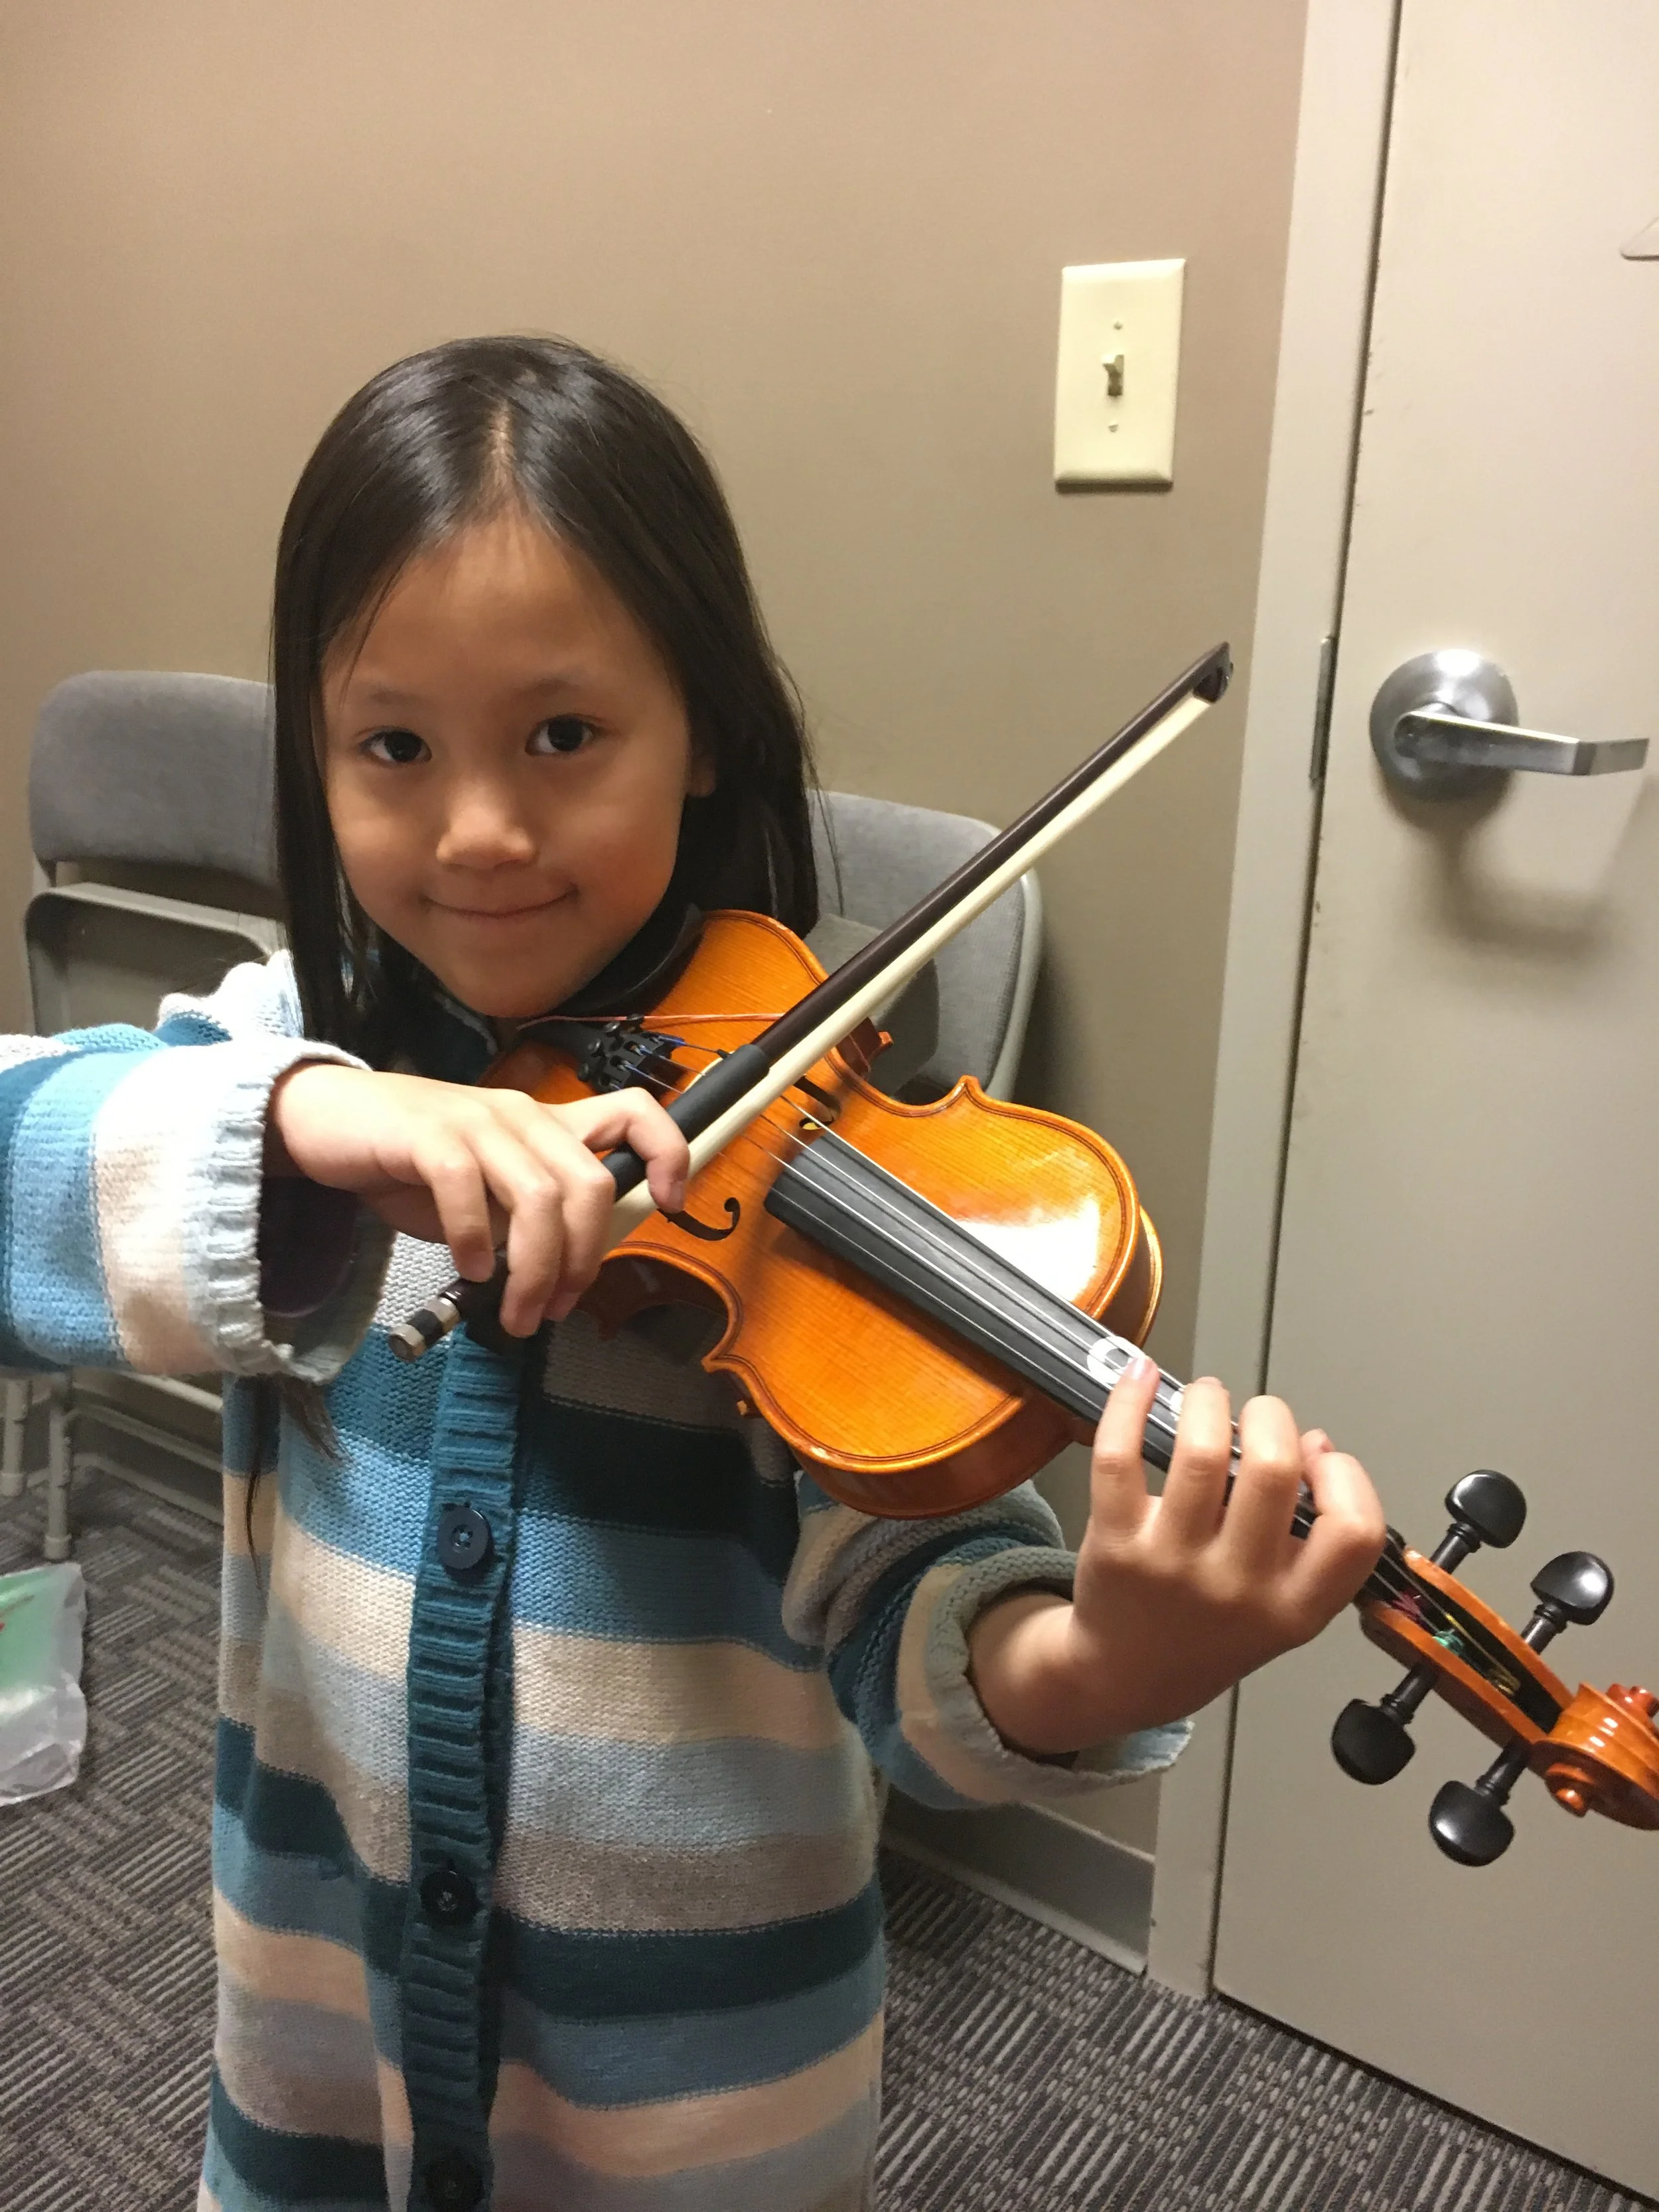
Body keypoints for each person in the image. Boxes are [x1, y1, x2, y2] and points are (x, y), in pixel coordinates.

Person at [0, 336, 1386, 2212]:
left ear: (702, 728)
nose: (479, 827)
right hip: (326, 2062)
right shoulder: (281, 1070)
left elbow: (919, 1630)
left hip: (694, 2115)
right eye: (391, 746)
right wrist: (323, 1123)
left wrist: (1108, 1652)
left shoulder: (805, 1169)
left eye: (562, 736)